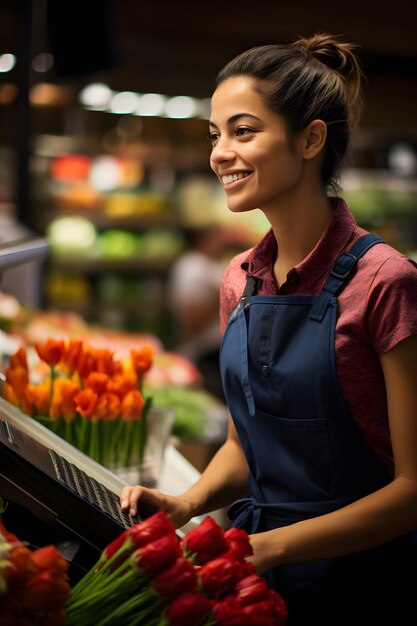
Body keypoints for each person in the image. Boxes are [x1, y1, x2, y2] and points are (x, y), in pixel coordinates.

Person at [121, 33, 417, 624]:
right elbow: (243, 446)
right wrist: (187, 503)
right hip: (257, 583)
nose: (220, 152)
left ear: (310, 139)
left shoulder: (386, 281)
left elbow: (413, 490)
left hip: (366, 582)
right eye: (215, 135)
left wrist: (270, 546)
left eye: (243, 130)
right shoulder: (241, 279)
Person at [167, 224, 228, 401]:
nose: (222, 241)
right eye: (217, 236)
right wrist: (224, 294)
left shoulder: (216, 264)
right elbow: (191, 321)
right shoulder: (192, 267)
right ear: (203, 240)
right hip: (206, 351)